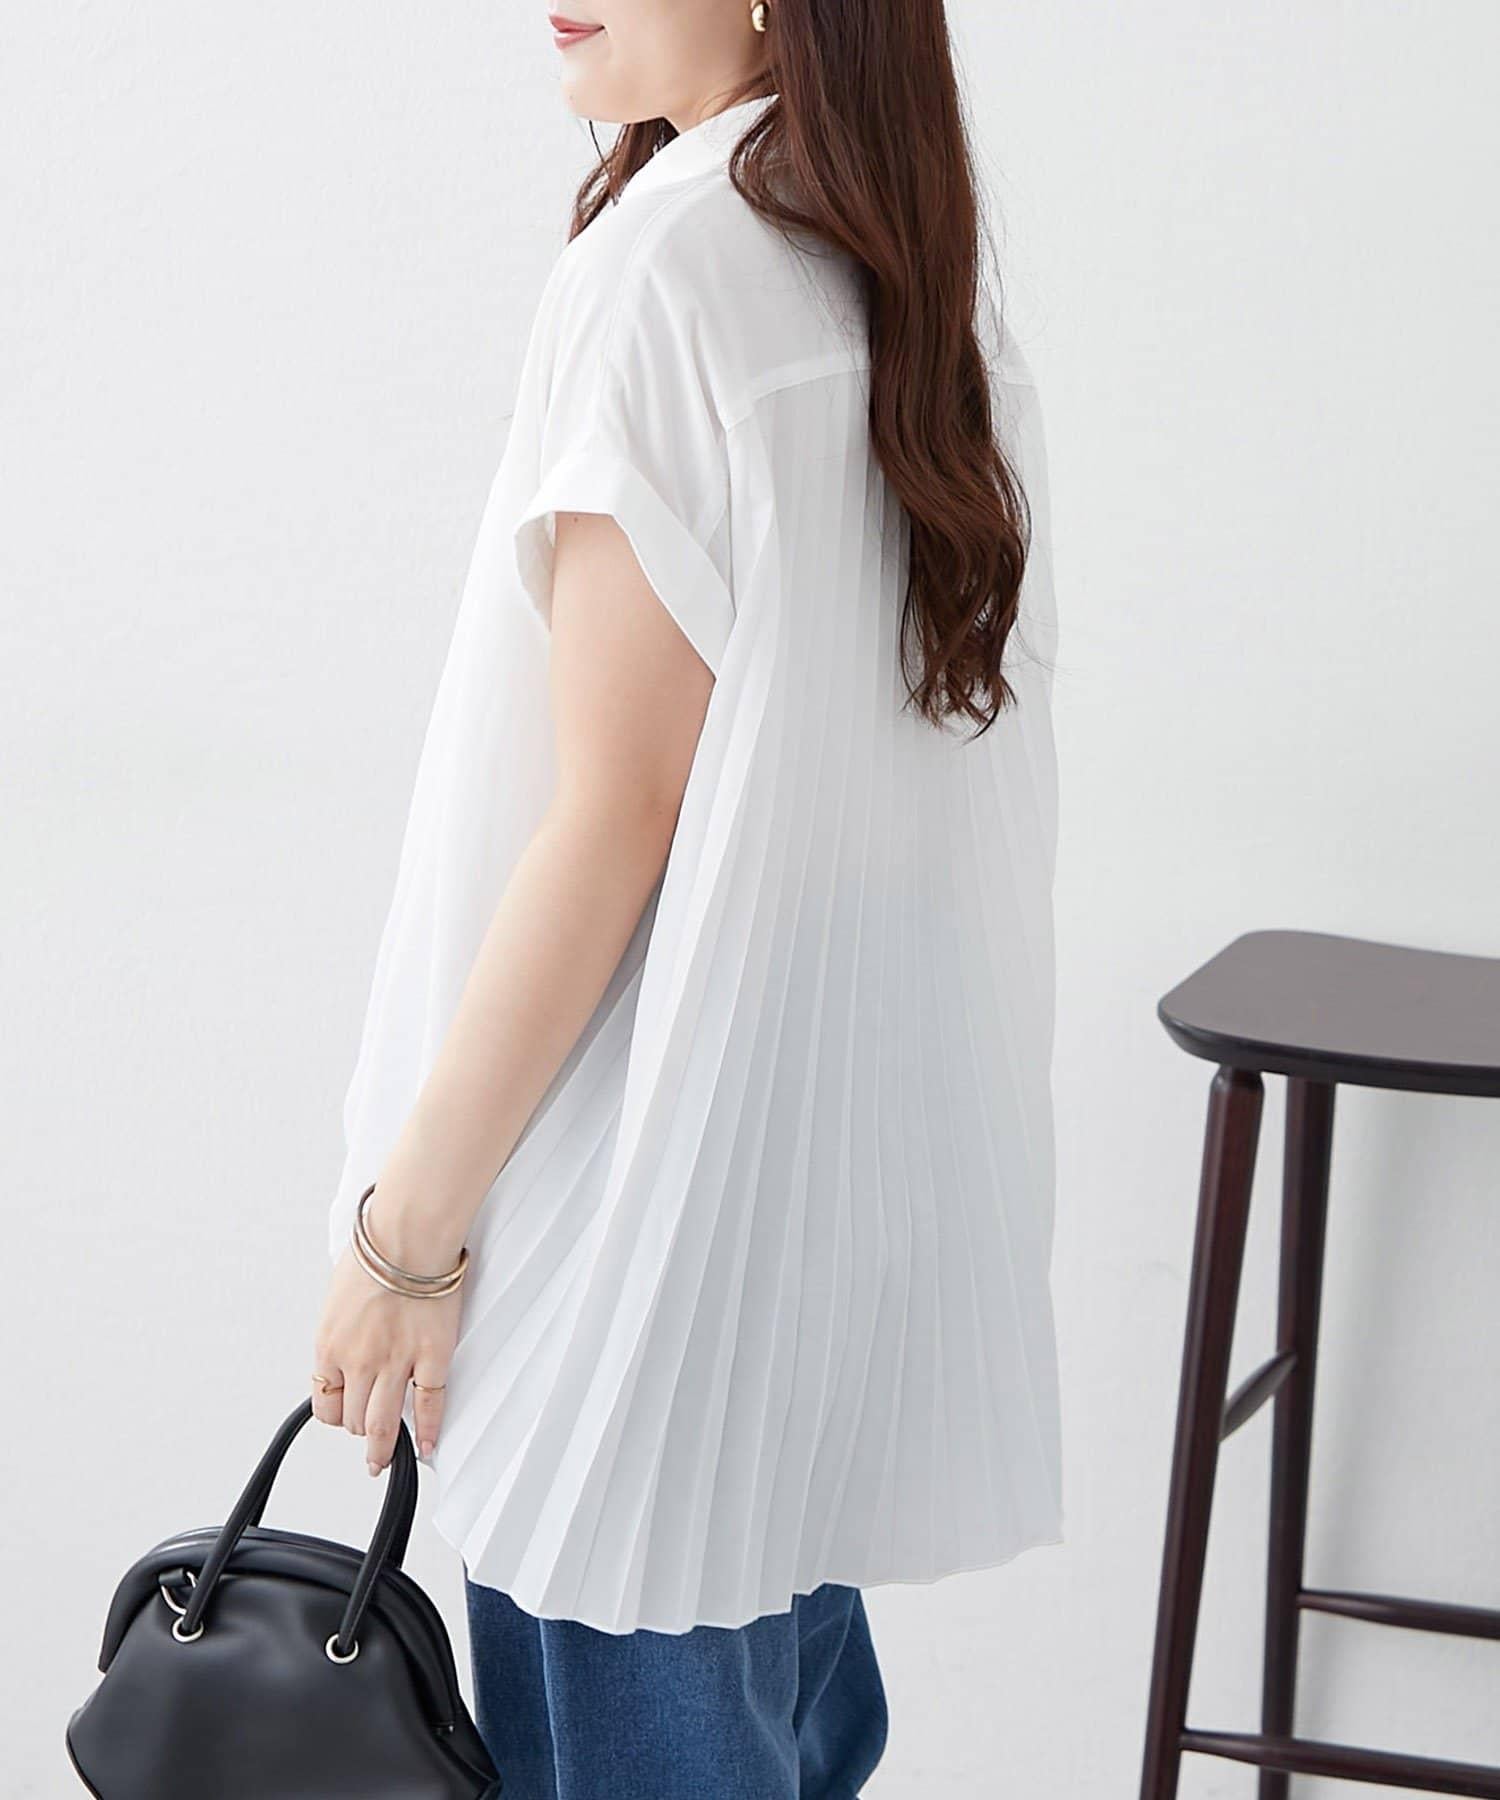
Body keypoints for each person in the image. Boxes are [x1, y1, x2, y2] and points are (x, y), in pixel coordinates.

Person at [311, 2, 1063, 1794]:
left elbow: (616, 813)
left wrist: (406, 1237)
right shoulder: (900, 264)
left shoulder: (665, 273)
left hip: (627, 1239)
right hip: (798, 1215)